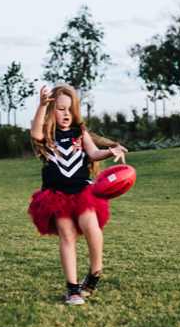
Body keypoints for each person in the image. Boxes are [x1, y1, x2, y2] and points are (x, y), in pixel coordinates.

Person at [27, 84, 127, 305]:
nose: (66, 114)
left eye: (70, 109)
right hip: (56, 195)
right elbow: (34, 133)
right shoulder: (46, 134)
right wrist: (42, 105)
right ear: (53, 110)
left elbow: (93, 152)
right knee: (67, 234)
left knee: (90, 225)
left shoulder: (79, 133)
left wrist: (111, 151)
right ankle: (72, 288)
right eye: (61, 109)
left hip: (82, 190)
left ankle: (95, 272)